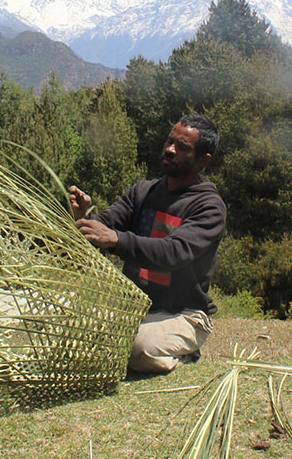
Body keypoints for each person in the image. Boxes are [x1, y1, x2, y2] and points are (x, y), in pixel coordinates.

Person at [70, 114, 226, 373]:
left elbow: (174, 252)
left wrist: (117, 240)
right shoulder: (143, 192)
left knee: (138, 348)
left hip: (183, 314)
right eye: (169, 141)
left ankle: (184, 352)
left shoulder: (208, 207)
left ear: (203, 160)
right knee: (76, 333)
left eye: (182, 147)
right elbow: (106, 228)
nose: (170, 149)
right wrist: (85, 218)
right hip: (134, 308)